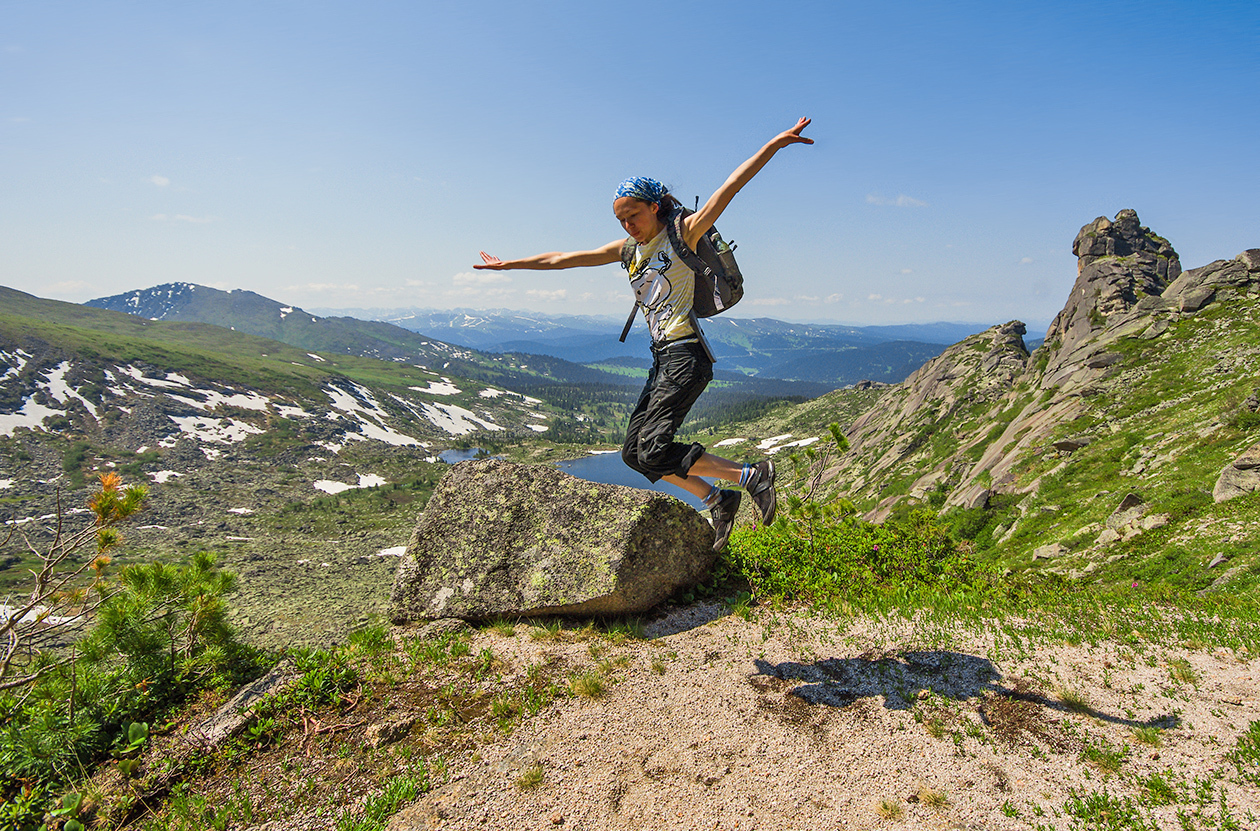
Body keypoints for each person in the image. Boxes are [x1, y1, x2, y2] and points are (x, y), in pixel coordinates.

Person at [476, 117, 814, 550]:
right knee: (634, 454)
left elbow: (730, 186)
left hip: (686, 355)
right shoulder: (629, 251)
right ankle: (717, 499)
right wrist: (509, 265)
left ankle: (751, 475)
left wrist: (774, 145)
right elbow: (563, 258)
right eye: (620, 220)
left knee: (654, 449)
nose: (627, 226)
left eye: (632, 215)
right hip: (663, 358)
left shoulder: (682, 234)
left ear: (654, 206)